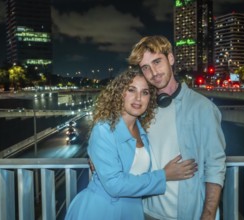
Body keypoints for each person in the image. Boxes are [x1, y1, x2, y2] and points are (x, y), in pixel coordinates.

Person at [64, 69, 198, 220]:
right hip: (101, 210)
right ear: (120, 94)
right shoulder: (104, 129)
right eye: (131, 90)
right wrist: (164, 175)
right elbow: (115, 185)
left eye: (145, 92)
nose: (138, 98)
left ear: (150, 99)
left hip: (133, 211)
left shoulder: (142, 132)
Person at [128, 36, 226, 220]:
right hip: (147, 212)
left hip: (189, 214)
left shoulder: (202, 107)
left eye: (157, 62)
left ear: (171, 59)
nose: (154, 72)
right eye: (146, 68)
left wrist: (208, 215)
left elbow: (216, 166)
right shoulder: (143, 109)